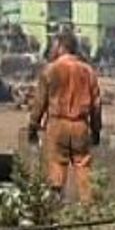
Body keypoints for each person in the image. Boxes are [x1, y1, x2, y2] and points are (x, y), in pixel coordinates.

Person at [28, 30, 102, 202]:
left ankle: (56, 204)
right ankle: (88, 207)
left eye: (54, 45)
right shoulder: (88, 71)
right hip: (80, 126)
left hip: (57, 124)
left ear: (61, 46)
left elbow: (39, 103)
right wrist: (96, 130)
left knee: (56, 165)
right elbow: (96, 105)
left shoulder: (50, 70)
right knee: (83, 167)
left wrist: (33, 126)